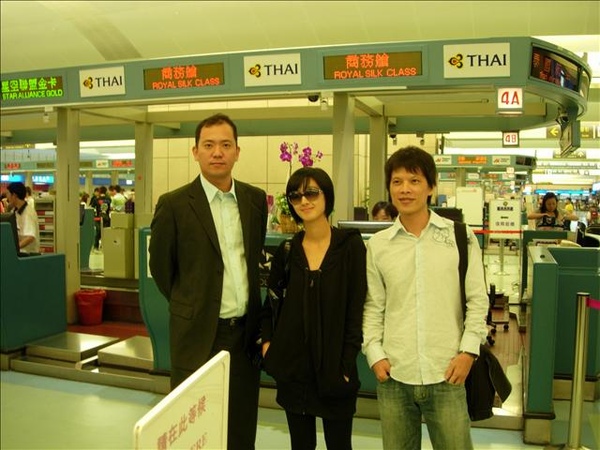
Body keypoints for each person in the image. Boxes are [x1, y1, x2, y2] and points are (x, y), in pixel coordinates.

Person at [149, 113, 268, 449]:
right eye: (209, 145)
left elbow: (252, 258)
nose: (218, 152)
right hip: (198, 335)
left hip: (244, 337)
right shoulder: (173, 205)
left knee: (240, 426)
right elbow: (162, 269)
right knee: (195, 427)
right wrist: (191, 304)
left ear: (237, 152)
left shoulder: (254, 200)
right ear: (195, 152)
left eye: (226, 145)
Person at [362, 146, 489, 450]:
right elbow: (373, 306)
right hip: (394, 376)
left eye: (414, 181)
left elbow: (477, 300)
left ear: (431, 187)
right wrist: (374, 354)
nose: (405, 189)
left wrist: (468, 353)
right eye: (397, 181)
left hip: (447, 374)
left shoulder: (459, 236)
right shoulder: (378, 245)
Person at [261, 167, 366, 450]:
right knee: (301, 445)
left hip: (335, 369)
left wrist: (346, 363)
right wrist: (269, 346)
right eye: (296, 196)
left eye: (311, 193)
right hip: (293, 370)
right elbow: (270, 304)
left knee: (339, 445)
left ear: (326, 195)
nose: (304, 201)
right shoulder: (287, 250)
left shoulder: (350, 246)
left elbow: (356, 308)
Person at [6, 182, 40, 254]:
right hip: (20, 253)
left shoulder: (28, 212)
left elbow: (30, 237)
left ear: (14, 195)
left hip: (28, 255)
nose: (7, 198)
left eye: (8, 194)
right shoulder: (15, 211)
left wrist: (14, 248)